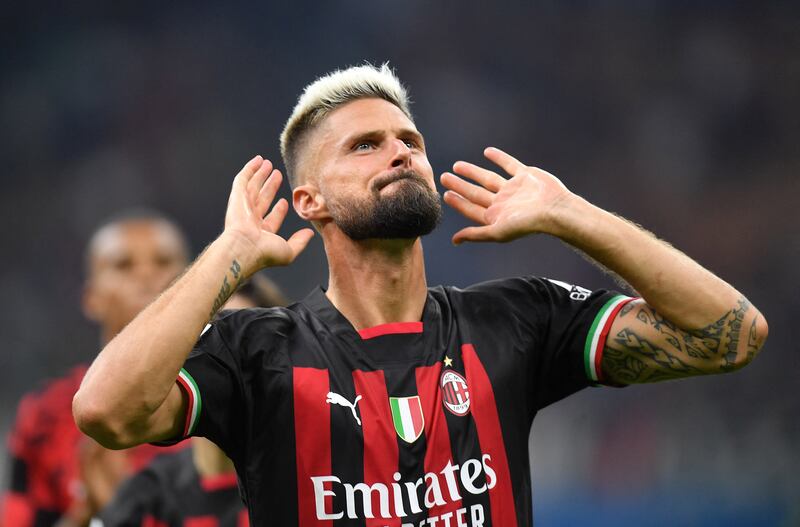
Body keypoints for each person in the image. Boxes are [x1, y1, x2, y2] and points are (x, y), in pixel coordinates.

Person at [73, 65, 769, 527]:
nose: (401, 151)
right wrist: (226, 256)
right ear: (308, 199)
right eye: (365, 145)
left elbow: (731, 333)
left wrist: (574, 216)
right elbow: (106, 409)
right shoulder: (257, 352)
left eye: (409, 139)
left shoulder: (514, 320)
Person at [2, 211, 190, 527]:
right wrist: (93, 514)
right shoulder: (45, 417)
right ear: (91, 298)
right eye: (123, 265)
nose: (146, 275)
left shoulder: (229, 395)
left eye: (162, 261)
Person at [96, 273, 287, 527]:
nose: (223, 365)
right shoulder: (149, 496)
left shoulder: (315, 480)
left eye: (242, 344)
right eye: (207, 340)